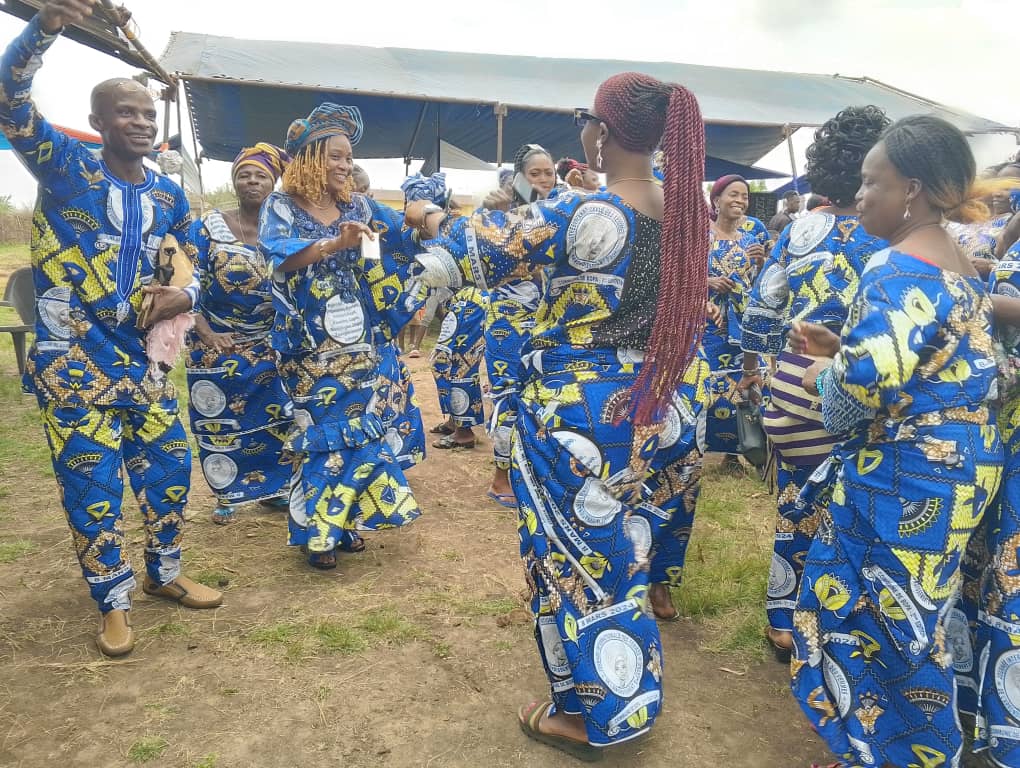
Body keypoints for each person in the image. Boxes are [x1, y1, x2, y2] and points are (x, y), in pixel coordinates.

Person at [407, 71, 710, 759]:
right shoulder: (684, 216)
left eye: (586, 121)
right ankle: (615, 692)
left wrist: (426, 217)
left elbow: (469, 250)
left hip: (583, 414)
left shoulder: (584, 214)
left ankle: (600, 715)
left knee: (578, 561)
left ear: (601, 132)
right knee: (621, 550)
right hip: (656, 406)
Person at [0, 0, 223, 657]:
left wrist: (186, 293)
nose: (141, 122)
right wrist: (45, 28)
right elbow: (10, 98)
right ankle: (114, 601)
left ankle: (167, 574)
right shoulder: (64, 167)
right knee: (91, 486)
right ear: (98, 122)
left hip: (145, 366)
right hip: (73, 364)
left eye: (148, 113)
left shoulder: (166, 195)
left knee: (169, 469)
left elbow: (206, 262)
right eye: (125, 111)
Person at [789, 115, 1004, 768]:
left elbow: (851, 400)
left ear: (910, 189)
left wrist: (829, 370)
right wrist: (848, 349)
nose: (859, 196)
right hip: (963, 472)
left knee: (876, 624)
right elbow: (929, 362)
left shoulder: (893, 267)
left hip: (904, 479)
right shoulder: (961, 266)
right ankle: (887, 746)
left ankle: (890, 751)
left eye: (869, 182)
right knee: (916, 617)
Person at [739, 106, 890, 662]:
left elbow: (762, 303)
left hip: (790, 378)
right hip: (849, 383)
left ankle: (782, 617)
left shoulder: (801, 229)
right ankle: (827, 617)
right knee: (845, 505)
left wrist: (752, 372)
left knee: (795, 500)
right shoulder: (892, 238)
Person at [258, 102, 424, 571]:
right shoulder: (282, 206)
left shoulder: (360, 207)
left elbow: (392, 245)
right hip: (309, 348)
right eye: (335, 156)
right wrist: (334, 243)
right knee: (320, 436)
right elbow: (279, 258)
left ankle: (345, 522)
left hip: (360, 343)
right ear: (308, 158)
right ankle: (317, 534)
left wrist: (422, 219)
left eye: (349, 158)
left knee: (355, 435)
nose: (344, 166)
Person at [186, 144, 294, 524]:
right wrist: (207, 331)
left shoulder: (284, 227)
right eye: (244, 174)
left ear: (274, 182)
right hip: (217, 340)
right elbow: (188, 282)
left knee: (276, 419)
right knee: (221, 423)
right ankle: (226, 493)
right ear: (234, 182)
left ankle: (274, 489)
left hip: (269, 342)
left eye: (260, 175)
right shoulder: (208, 227)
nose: (252, 181)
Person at [481, 143, 556, 507]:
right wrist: (498, 216)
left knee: (543, 398)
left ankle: (532, 471)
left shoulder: (560, 216)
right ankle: (500, 477)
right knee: (509, 397)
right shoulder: (498, 214)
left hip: (547, 324)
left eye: (549, 173)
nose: (544, 180)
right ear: (519, 178)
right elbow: (483, 267)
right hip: (507, 326)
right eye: (535, 173)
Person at [703, 174, 765, 471]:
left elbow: (763, 285)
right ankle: (708, 445)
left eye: (744, 196)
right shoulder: (701, 238)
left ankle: (739, 451)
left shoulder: (752, 241)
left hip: (743, 326)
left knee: (744, 384)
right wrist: (708, 282)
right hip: (710, 323)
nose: (740, 200)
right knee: (713, 385)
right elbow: (679, 279)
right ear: (716, 200)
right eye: (733, 194)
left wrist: (762, 263)